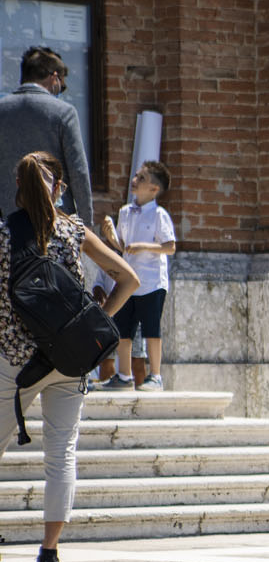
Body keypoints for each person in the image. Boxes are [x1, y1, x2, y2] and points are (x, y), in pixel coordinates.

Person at [2, 153, 137, 562]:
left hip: (15, 361)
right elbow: (129, 278)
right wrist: (99, 321)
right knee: (61, 458)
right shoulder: (75, 230)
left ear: (19, 189)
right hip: (70, 361)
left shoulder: (5, 233)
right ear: (58, 188)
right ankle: (49, 555)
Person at [94, 160, 177, 390]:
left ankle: (156, 376)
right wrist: (111, 237)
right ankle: (124, 375)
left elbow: (170, 246)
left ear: (154, 189)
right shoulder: (125, 212)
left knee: (151, 329)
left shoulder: (159, 215)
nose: (134, 180)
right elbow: (123, 247)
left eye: (141, 178)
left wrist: (144, 246)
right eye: (136, 175)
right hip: (128, 281)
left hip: (151, 282)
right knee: (123, 329)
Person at [0, 48, 92, 229]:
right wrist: (86, 226)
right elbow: (78, 172)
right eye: (62, 85)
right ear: (54, 77)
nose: (61, 90)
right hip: (55, 222)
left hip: (8, 223)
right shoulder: (64, 112)